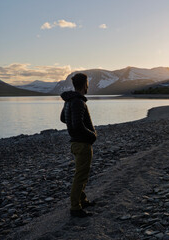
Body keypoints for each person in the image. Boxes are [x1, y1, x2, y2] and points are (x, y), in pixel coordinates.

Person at [60, 73, 97, 218]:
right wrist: (92, 135)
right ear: (85, 84)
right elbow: (77, 124)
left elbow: (64, 118)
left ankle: (82, 200)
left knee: (82, 174)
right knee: (80, 176)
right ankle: (75, 208)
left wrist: (73, 126)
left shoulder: (69, 100)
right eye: (87, 83)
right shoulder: (78, 101)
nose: (88, 86)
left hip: (76, 143)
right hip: (82, 144)